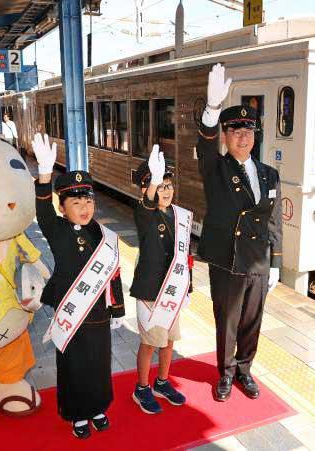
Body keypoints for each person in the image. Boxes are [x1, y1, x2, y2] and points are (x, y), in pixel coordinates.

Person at [196, 64, 283, 402]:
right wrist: (212, 110)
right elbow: (204, 145)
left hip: (259, 260)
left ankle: (245, 370)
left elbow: (273, 221)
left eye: (248, 131)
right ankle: (226, 373)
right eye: (235, 131)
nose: (243, 137)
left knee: (251, 322)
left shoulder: (269, 174)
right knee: (228, 321)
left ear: (255, 135)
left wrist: (275, 262)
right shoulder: (215, 167)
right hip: (228, 259)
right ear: (225, 135)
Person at [32, 133, 125, 439]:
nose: (85, 207)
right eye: (76, 201)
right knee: (73, 365)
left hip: (97, 312)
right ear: (63, 207)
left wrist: (119, 308)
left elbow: (113, 273)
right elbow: (42, 211)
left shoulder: (103, 234)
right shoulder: (56, 229)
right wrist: (44, 175)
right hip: (71, 312)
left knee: (98, 362)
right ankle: (76, 413)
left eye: (88, 200)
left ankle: (97, 407)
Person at [131, 145, 192, 414]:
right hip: (151, 291)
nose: (165, 191)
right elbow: (146, 205)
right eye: (159, 185)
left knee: (169, 341)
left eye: (169, 185)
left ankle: (162, 382)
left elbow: (185, 254)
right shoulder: (144, 214)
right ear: (146, 189)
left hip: (173, 291)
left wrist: (187, 286)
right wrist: (154, 181)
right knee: (149, 342)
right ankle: (142, 388)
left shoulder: (179, 216)